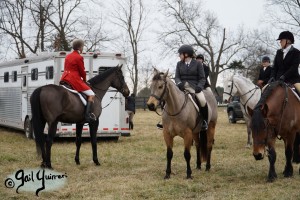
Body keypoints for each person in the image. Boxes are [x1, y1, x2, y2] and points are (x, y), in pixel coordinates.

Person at [60, 39, 96, 122]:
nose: (82, 48)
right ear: (80, 47)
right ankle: (87, 116)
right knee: (91, 94)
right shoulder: (79, 57)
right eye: (82, 47)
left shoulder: (68, 56)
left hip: (64, 78)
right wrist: (85, 80)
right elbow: (82, 71)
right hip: (74, 79)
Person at [175, 45, 208, 130]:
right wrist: (179, 83)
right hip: (181, 87)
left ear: (186, 54)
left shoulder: (198, 63)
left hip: (194, 87)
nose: (179, 56)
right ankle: (164, 120)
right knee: (169, 96)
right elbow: (177, 77)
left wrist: (200, 86)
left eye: (180, 54)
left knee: (202, 100)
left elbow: (202, 78)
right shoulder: (179, 64)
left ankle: (204, 121)